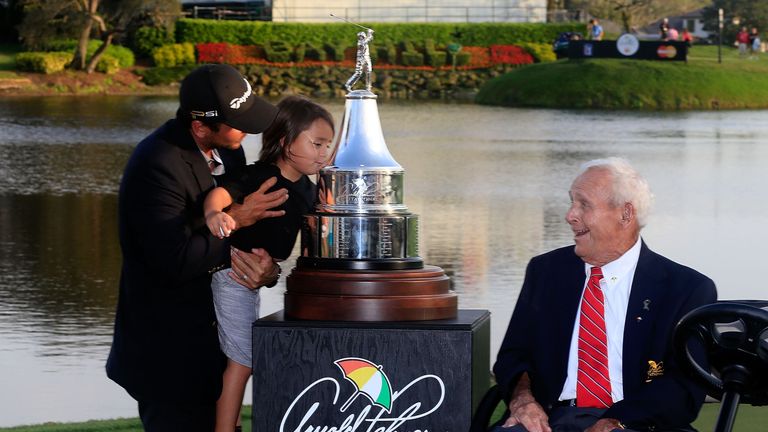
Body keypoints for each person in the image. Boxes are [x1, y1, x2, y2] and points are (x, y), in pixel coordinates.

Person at [106, 64, 286, 431]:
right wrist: (238, 216)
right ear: (201, 126)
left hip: (215, 347)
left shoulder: (230, 152)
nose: (249, 130)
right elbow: (175, 260)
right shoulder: (156, 165)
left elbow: (241, 242)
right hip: (168, 356)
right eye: (238, 122)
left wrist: (267, 271)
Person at [492, 157, 717, 432]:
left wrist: (615, 420)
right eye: (571, 202)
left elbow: (683, 388)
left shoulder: (686, 289)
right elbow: (513, 358)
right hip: (550, 420)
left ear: (625, 214)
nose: (570, 215)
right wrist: (523, 400)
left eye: (583, 204)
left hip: (638, 423)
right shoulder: (546, 272)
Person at [204, 95, 335, 432]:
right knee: (243, 358)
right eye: (317, 143)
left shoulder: (308, 189)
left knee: (246, 354)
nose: (324, 153)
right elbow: (221, 192)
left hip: (255, 279)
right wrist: (215, 213)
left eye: (328, 145)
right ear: (285, 141)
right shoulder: (259, 176)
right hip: (232, 273)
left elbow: (317, 233)